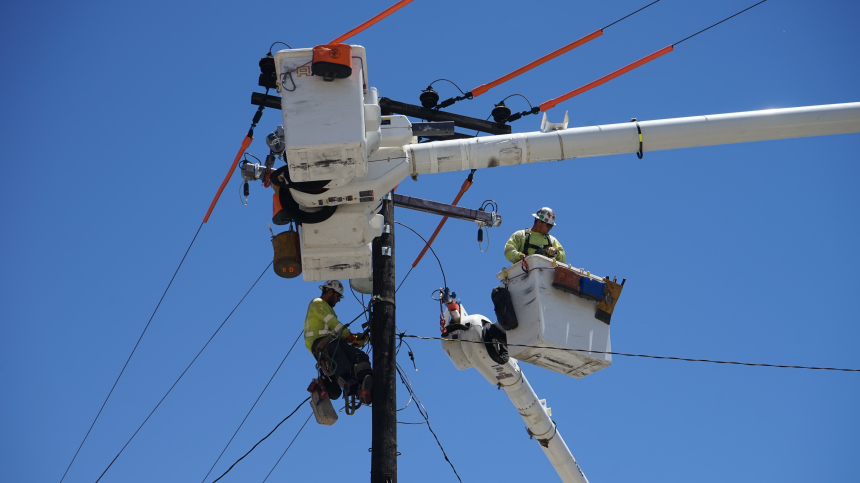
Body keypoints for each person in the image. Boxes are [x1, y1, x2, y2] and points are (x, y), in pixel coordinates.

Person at [304, 280, 373, 405]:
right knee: (342, 362)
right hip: (320, 343)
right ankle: (355, 389)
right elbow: (334, 325)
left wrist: (354, 338)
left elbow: (336, 331)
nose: (339, 300)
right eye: (338, 296)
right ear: (330, 292)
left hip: (333, 341)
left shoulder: (327, 308)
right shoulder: (317, 303)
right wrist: (351, 337)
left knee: (360, 356)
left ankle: (366, 384)